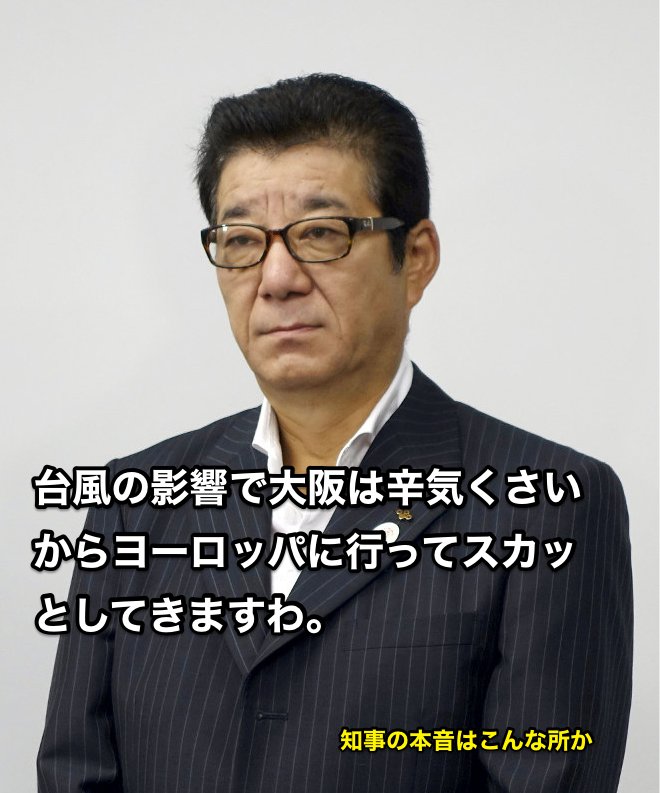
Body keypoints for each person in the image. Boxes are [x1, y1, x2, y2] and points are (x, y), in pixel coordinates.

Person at [37, 73, 633, 793]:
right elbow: (74, 770)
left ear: (415, 258)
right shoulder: (135, 502)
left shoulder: (549, 504)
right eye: (242, 240)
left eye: (321, 233)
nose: (276, 278)